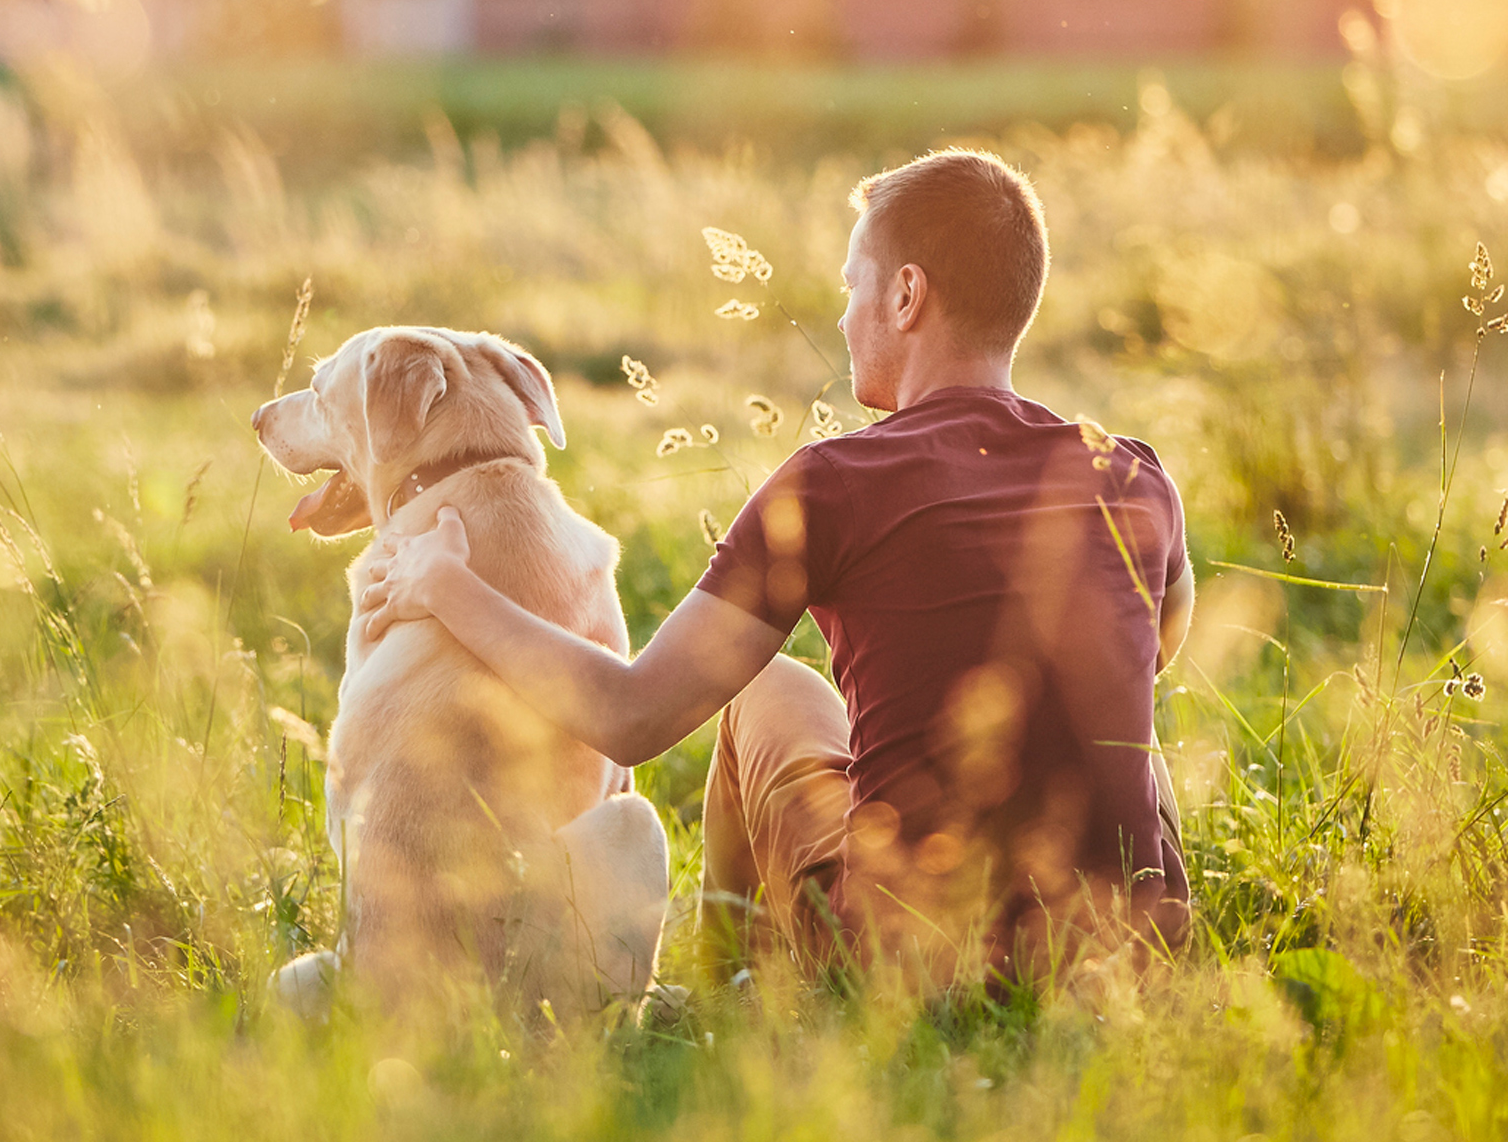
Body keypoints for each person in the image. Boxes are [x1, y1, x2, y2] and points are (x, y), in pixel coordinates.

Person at [359, 148, 1194, 982]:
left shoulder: (834, 482)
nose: (844, 319)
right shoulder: (1136, 474)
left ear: (906, 295)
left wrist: (446, 584)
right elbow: (1155, 651)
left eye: (852, 286)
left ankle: (726, 993)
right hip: (1127, 950)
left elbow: (631, 718)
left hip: (910, 958)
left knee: (760, 692)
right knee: (1119, 718)